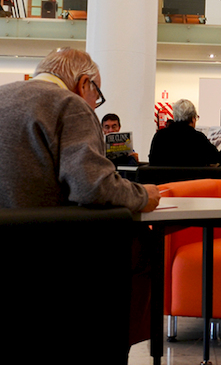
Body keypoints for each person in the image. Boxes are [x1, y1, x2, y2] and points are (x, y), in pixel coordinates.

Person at [0, 47, 161, 347]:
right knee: (145, 248)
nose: (94, 107)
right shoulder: (70, 104)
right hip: (55, 258)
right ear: (84, 83)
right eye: (96, 96)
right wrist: (142, 194)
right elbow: (93, 187)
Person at [149, 98, 221, 167]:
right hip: (192, 186)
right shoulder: (198, 138)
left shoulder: (160, 136)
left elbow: (152, 161)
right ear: (193, 119)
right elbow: (218, 159)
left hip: (164, 186)